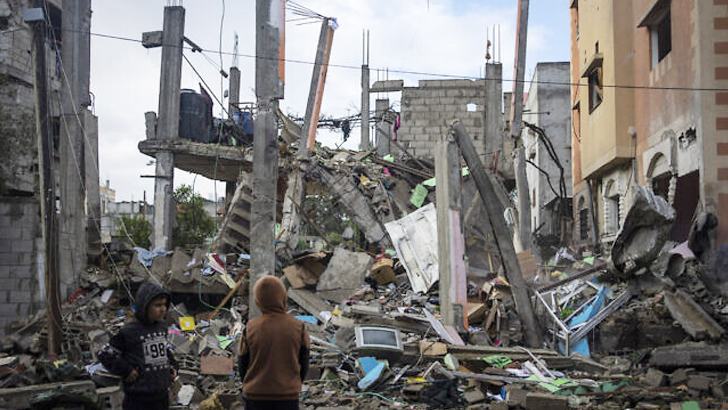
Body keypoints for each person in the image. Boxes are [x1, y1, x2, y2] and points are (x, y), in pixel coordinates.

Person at [99, 282, 177, 410]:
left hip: (161, 395)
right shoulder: (130, 331)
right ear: (145, 306)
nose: (163, 309)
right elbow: (105, 354)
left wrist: (173, 365)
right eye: (157, 305)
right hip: (138, 398)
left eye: (165, 305)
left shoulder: (162, 327)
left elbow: (164, 350)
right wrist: (126, 370)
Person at [239, 275, 310, 410]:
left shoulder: (250, 328)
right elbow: (304, 362)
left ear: (258, 299)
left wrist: (251, 384)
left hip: (255, 398)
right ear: (283, 296)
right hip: (287, 397)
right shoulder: (298, 327)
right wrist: (292, 384)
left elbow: (243, 363)